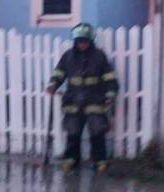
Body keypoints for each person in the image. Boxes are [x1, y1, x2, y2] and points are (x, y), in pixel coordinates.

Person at [45, 23, 119, 171]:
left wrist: (110, 94)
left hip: (95, 100)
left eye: (85, 41)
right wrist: (53, 85)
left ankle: (99, 161)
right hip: (73, 101)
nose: (82, 44)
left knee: (97, 132)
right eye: (79, 41)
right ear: (75, 41)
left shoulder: (99, 56)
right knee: (73, 132)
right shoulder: (68, 56)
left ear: (90, 41)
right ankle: (71, 159)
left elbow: (110, 78)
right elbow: (59, 73)